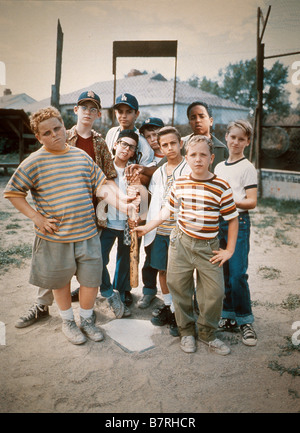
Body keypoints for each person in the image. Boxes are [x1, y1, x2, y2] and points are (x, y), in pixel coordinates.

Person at [4, 106, 136, 345]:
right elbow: (13, 192)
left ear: (64, 128)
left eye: (58, 128)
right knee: (61, 281)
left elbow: (101, 184)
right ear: (38, 137)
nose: (54, 135)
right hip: (56, 236)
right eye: (47, 133)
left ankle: (86, 320)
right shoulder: (34, 162)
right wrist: (37, 218)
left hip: (86, 233)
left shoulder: (80, 156)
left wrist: (122, 202)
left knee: (90, 280)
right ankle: (68, 321)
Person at [133, 135, 239, 355]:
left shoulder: (221, 186)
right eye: (193, 155)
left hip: (209, 247)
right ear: (187, 158)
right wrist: (148, 226)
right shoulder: (180, 183)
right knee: (179, 287)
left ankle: (208, 332)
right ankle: (187, 331)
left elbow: (232, 218)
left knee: (214, 293)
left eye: (202, 155)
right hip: (180, 243)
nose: (198, 159)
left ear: (211, 158)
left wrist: (229, 249)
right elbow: (167, 210)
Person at [142, 126, 191, 336]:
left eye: (173, 143)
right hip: (161, 230)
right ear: (160, 148)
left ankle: (182, 311)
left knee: (181, 274)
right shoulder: (160, 171)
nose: (169, 148)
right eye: (165, 145)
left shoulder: (189, 168)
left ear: (180, 144)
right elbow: (154, 199)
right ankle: (170, 307)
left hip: (181, 231)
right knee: (163, 270)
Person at [214, 120, 258, 346]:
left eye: (242, 139)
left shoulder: (247, 167)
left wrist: (230, 203)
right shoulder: (220, 167)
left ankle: (245, 320)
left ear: (248, 142)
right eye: (233, 137)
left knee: (238, 272)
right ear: (227, 137)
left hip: (238, 221)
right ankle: (229, 315)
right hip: (220, 221)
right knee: (224, 271)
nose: (236, 142)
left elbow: (251, 201)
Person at [99, 129, 147, 318]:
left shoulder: (134, 170)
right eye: (123, 144)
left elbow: (141, 193)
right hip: (107, 222)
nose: (126, 149)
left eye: (131, 147)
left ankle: (121, 291)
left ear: (134, 151)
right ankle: (107, 291)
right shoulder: (104, 165)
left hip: (127, 224)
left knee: (125, 260)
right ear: (115, 145)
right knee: (100, 259)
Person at [136, 117, 165, 309]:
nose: (153, 139)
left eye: (156, 134)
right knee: (150, 254)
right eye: (148, 136)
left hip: (170, 212)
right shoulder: (146, 157)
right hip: (150, 211)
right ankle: (149, 291)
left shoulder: (172, 154)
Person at [105, 93, 154, 169]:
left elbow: (146, 172)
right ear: (115, 113)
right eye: (120, 112)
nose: (124, 116)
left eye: (129, 112)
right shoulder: (111, 133)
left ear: (136, 114)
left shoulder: (142, 141)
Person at [182, 101, 229, 170]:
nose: (197, 120)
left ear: (211, 121)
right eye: (193, 118)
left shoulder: (221, 149)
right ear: (189, 123)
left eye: (201, 116)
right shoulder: (181, 144)